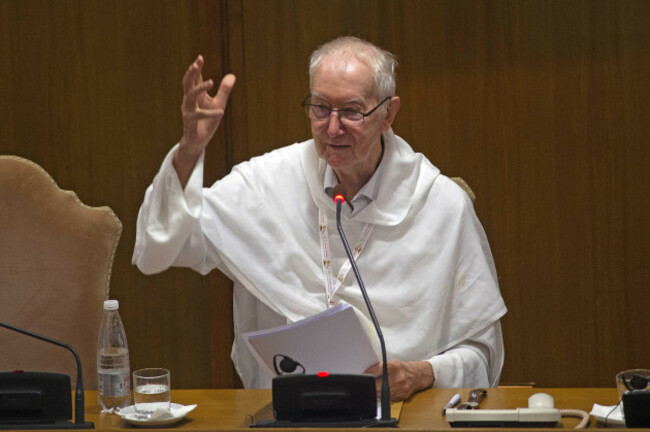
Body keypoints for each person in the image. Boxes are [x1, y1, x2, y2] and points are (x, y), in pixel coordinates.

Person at [133, 36, 507, 401]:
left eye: (351, 111)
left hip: (400, 417)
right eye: (320, 108)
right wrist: (189, 149)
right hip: (284, 418)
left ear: (388, 114)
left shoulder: (442, 206)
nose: (332, 128)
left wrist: (422, 373)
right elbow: (160, 248)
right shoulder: (265, 185)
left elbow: (483, 356)